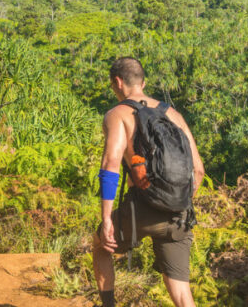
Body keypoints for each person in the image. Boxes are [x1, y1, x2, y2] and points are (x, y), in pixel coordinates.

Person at [92, 57, 205, 307]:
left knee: (101, 245)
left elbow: (111, 165)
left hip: (139, 210)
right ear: (143, 82)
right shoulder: (174, 115)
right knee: (182, 292)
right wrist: (177, 203)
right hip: (179, 213)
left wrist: (107, 218)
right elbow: (198, 171)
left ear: (117, 82)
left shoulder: (118, 114)